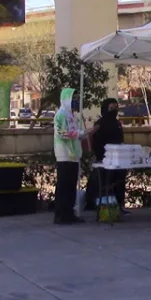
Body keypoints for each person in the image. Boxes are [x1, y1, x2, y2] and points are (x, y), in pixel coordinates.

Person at [53, 88, 93, 225]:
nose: (76, 101)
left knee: (70, 186)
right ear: (66, 100)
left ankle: (68, 213)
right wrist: (78, 134)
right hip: (64, 154)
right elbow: (61, 133)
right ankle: (61, 214)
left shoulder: (71, 115)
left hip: (73, 155)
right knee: (64, 186)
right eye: (73, 99)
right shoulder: (61, 115)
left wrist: (83, 135)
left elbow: (73, 132)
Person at [86, 98, 129, 214]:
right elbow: (91, 136)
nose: (114, 110)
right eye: (111, 108)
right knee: (106, 182)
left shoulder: (117, 123)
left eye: (116, 107)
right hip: (104, 158)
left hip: (119, 158)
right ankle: (104, 206)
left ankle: (119, 205)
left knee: (119, 181)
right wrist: (92, 153)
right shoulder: (100, 123)